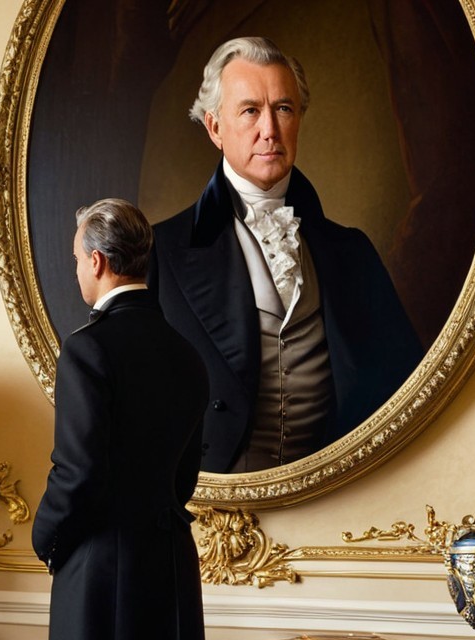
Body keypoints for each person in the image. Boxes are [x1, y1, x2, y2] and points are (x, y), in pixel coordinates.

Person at [149, 36, 423, 473]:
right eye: (250, 111)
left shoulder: (353, 253)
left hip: (344, 491)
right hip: (215, 501)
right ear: (214, 127)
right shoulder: (159, 253)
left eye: (283, 109)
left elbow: (405, 389)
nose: (270, 131)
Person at [32, 198, 209, 640]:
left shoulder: (88, 349)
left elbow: (76, 473)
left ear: (100, 262)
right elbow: (183, 481)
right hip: (169, 573)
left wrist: (44, 539)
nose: (77, 269)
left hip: (100, 576)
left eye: (78, 258)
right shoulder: (187, 355)